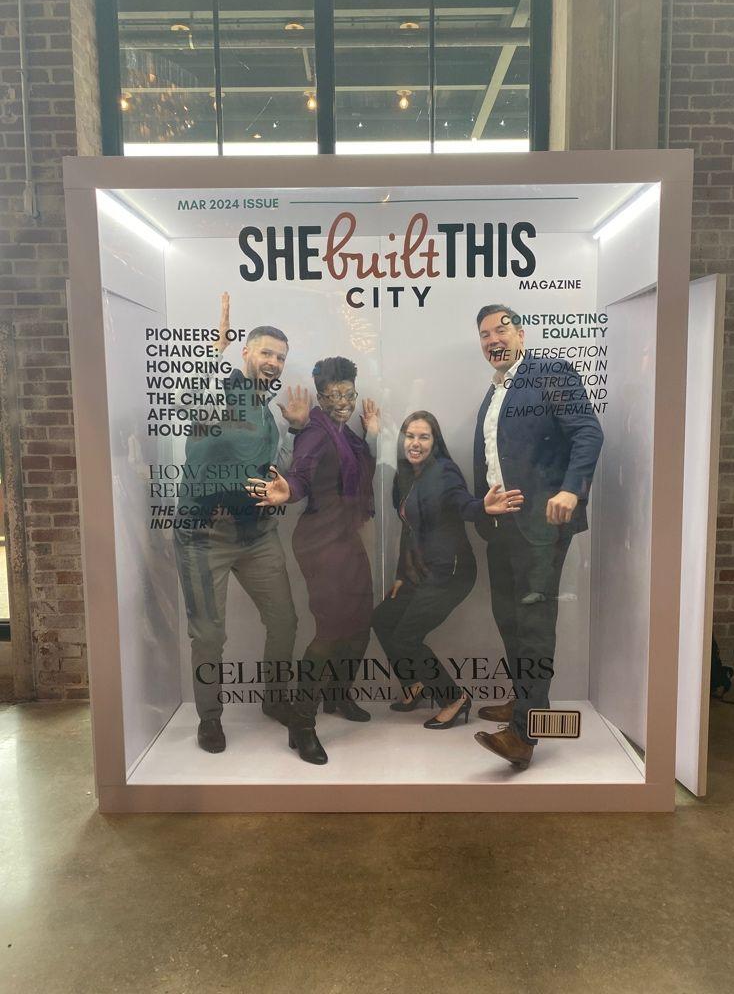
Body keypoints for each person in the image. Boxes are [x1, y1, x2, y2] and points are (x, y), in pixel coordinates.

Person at [173, 292, 311, 754]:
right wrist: (215, 349)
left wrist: (295, 427)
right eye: (266, 352)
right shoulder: (216, 387)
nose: (273, 361)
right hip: (202, 535)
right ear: (247, 352)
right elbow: (184, 401)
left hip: (257, 536)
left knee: (285, 621)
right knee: (209, 634)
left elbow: (278, 470)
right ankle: (209, 718)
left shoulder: (271, 412)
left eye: (280, 357)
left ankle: (275, 699)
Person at [471, 304, 604, 769]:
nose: (493, 339)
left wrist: (572, 489)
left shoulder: (551, 373)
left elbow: (589, 431)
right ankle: (527, 701)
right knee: (508, 617)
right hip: (502, 527)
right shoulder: (495, 393)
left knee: (533, 623)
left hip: (542, 526)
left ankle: (524, 736)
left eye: (501, 329)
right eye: (485, 335)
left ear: (521, 334)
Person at [248, 356, 379, 765]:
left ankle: (338, 697)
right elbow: (302, 471)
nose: (342, 401)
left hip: (347, 537)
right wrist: (290, 491)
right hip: (320, 542)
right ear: (321, 397)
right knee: (331, 629)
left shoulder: (347, 433)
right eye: (333, 394)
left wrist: (371, 433)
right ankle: (301, 724)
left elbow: (362, 469)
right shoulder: (316, 433)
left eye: (348, 393)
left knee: (360, 623)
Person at [372, 412, 523, 729]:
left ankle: (454, 699)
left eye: (423, 437)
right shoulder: (407, 475)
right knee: (383, 619)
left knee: (407, 638)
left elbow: (462, 503)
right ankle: (413, 684)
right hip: (421, 571)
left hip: (450, 572)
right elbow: (408, 530)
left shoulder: (444, 471)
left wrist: (482, 507)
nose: (415, 443)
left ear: (434, 442)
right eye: (410, 436)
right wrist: (401, 574)